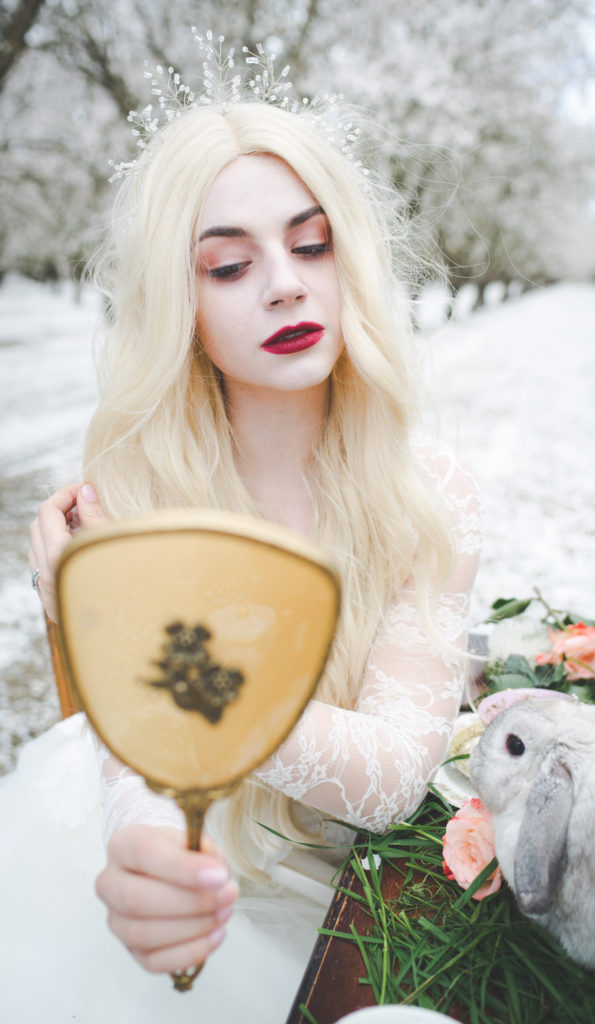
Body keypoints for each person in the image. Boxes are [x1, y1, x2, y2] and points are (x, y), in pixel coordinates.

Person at [17, 40, 480, 1023]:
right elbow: (139, 770)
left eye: (311, 246)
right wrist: (150, 859)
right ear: (178, 302)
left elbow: (393, 778)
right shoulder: (130, 493)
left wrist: (146, 643)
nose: (283, 284)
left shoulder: (425, 493)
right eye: (228, 265)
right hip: (206, 874)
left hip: (347, 900)